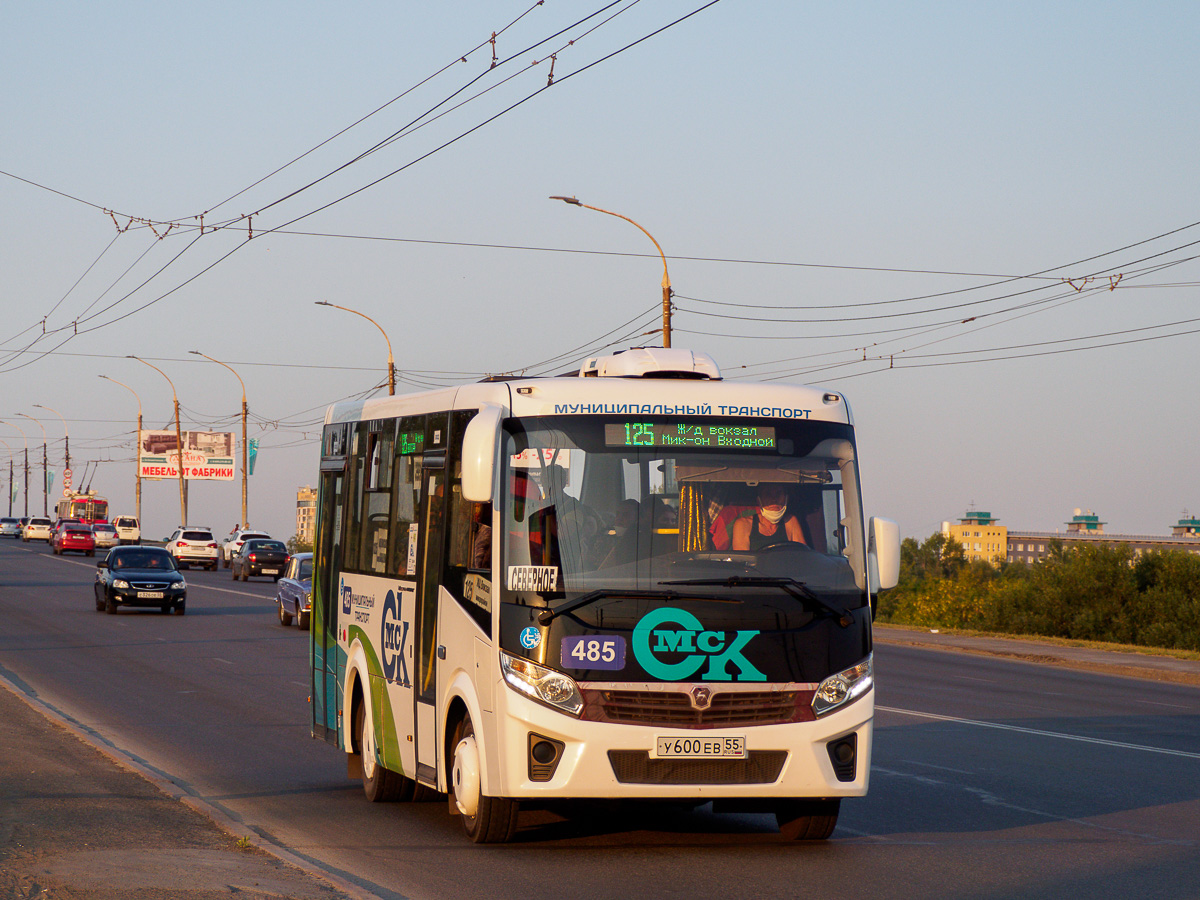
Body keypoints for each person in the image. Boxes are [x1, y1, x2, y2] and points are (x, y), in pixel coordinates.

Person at [732, 484, 805, 551]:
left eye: (778, 494)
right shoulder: (743, 524)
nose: (774, 499)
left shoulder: (790, 521)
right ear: (759, 500)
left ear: (786, 498)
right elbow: (742, 561)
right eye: (768, 494)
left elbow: (802, 556)